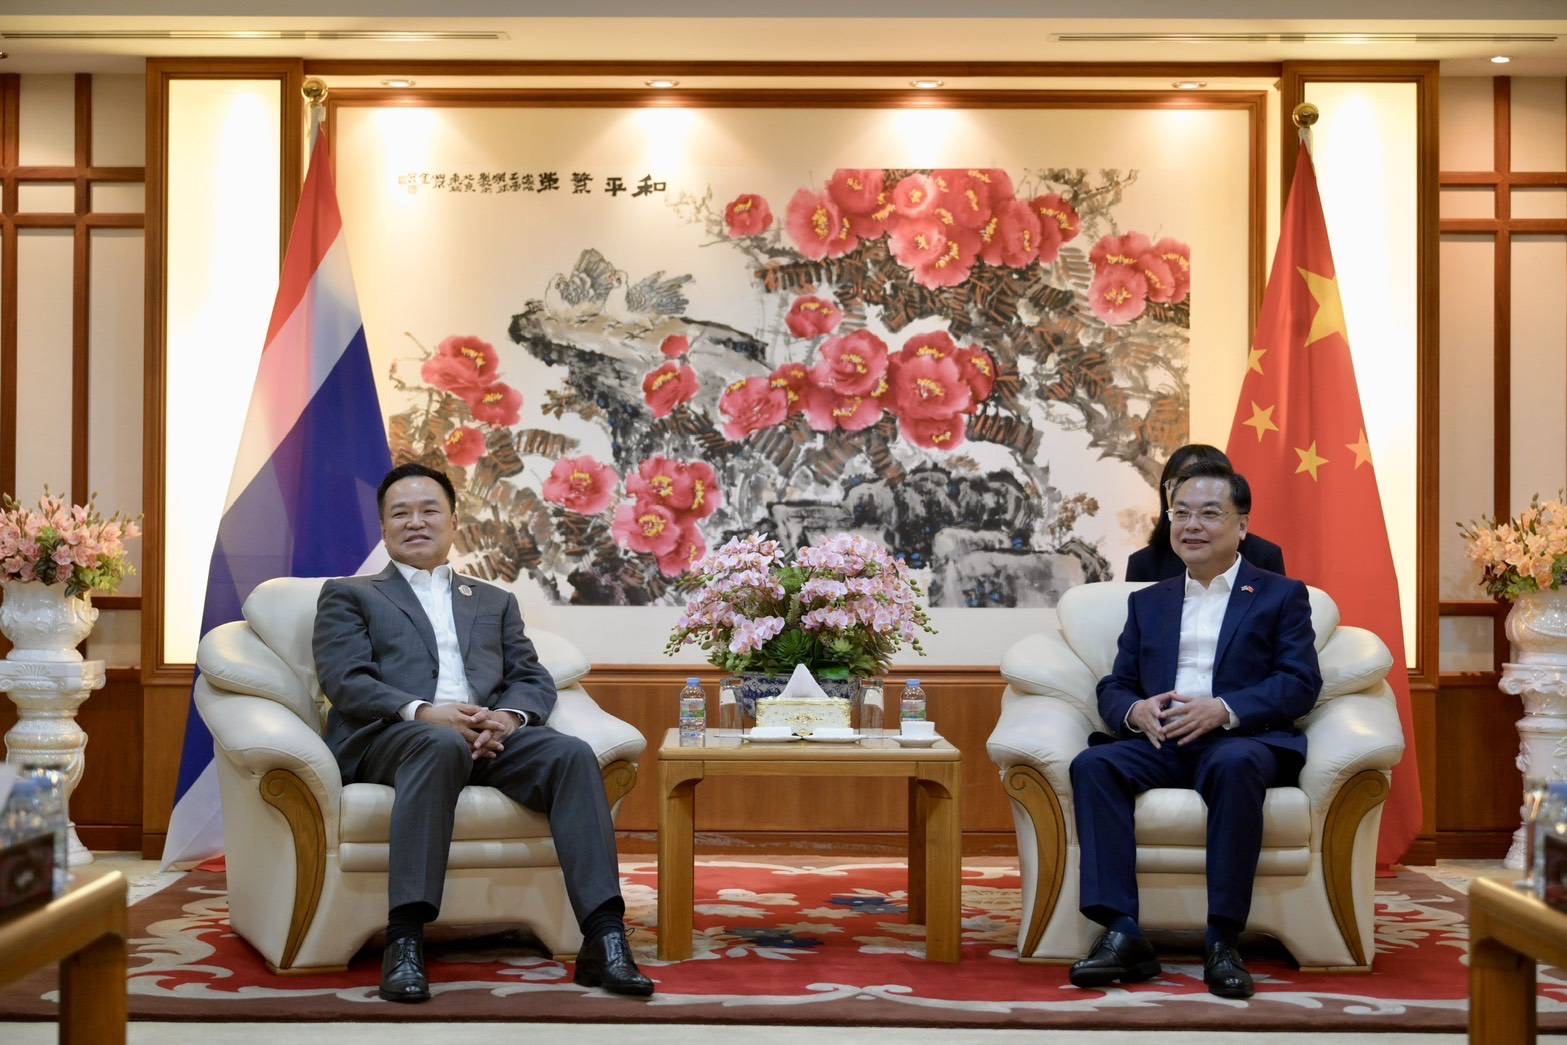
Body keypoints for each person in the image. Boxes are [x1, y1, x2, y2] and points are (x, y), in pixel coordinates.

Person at [313, 462, 653, 1002]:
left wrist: (508, 718)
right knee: (440, 742)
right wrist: (425, 712)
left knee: (570, 754)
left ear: (453, 522)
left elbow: (530, 677)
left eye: (429, 510)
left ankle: (604, 938)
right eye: (400, 513)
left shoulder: (494, 601)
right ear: (384, 527)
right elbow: (346, 680)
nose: (415, 522)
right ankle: (405, 938)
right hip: (394, 737)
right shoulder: (350, 595)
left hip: (488, 738)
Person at [1068, 460, 1321, 999]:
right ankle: (1123, 932)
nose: (1191, 526)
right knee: (1095, 764)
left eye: (1209, 514)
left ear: (1241, 525)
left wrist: (1224, 709)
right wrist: (1135, 711)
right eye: (1180, 513)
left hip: (1238, 740)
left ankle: (1223, 939)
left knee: (1235, 763)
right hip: (1161, 739)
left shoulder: (1280, 595)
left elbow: (1299, 683)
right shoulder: (1148, 601)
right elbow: (1117, 683)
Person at [1125, 444, 1286, 582]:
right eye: (1180, 482)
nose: (1192, 489)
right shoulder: (1142, 563)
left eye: (1209, 513)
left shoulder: (1264, 556)